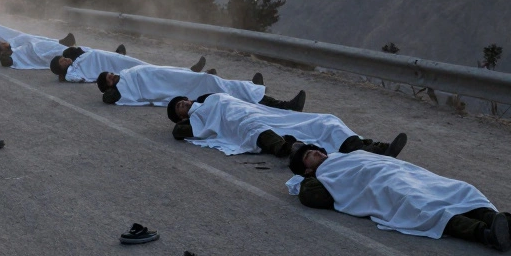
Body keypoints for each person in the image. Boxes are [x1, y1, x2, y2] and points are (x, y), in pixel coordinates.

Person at [287, 144, 511, 253]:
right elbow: (315, 199)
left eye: (314, 149)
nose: (315, 151)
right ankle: (487, 234)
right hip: (383, 187)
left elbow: (378, 159)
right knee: (425, 207)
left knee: (460, 191)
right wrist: (309, 177)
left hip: (406, 173)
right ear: (307, 167)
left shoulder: (343, 155)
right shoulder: (317, 179)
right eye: (308, 154)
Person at [166, 93, 406, 159]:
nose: (185, 103)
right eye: (180, 107)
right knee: (256, 130)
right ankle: (288, 150)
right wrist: (191, 119)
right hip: (242, 121)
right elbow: (179, 133)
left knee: (325, 120)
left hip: (260, 112)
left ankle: (369, 148)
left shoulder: (208, 97)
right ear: (181, 117)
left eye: (183, 100)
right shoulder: (196, 118)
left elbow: (243, 97)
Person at [94, 61, 304, 109]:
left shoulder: (126, 73)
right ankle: (281, 105)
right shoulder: (121, 89)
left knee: (212, 80)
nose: (114, 77)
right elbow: (107, 98)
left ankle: (250, 87)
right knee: (215, 85)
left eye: (112, 74)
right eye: (110, 80)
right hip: (173, 88)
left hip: (172, 77)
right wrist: (111, 89)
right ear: (109, 86)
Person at [49, 47, 208, 82]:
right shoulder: (72, 71)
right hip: (113, 66)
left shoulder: (76, 59)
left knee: (147, 66)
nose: (66, 61)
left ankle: (188, 71)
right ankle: (190, 73)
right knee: (148, 70)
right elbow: (74, 78)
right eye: (62, 63)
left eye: (63, 58)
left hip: (112, 58)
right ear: (62, 69)